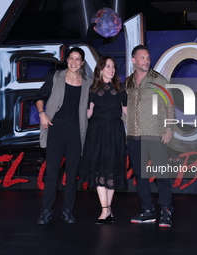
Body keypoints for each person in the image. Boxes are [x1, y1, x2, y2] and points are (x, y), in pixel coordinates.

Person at [35, 47, 92, 225]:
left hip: (76, 132)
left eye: (78, 59)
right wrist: (41, 113)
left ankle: (68, 210)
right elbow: (39, 96)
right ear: (67, 60)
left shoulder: (88, 82)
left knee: (72, 173)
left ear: (82, 63)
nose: (74, 62)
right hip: (56, 129)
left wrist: (90, 111)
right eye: (71, 58)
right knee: (52, 172)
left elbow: (91, 103)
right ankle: (46, 211)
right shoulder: (55, 76)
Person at [124, 45, 174, 228]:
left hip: (155, 134)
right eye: (142, 58)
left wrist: (169, 129)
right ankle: (147, 210)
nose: (146, 61)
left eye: (147, 57)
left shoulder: (158, 79)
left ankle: (166, 210)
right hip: (134, 135)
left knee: (162, 174)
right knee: (140, 175)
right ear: (134, 61)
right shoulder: (128, 82)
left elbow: (170, 105)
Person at [79, 56, 127, 224]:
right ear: (100, 69)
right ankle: (105, 209)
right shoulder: (92, 89)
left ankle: (107, 209)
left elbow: (126, 112)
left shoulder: (120, 88)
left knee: (112, 170)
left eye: (113, 66)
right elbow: (89, 113)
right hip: (98, 131)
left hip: (115, 131)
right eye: (107, 66)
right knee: (100, 170)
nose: (111, 69)